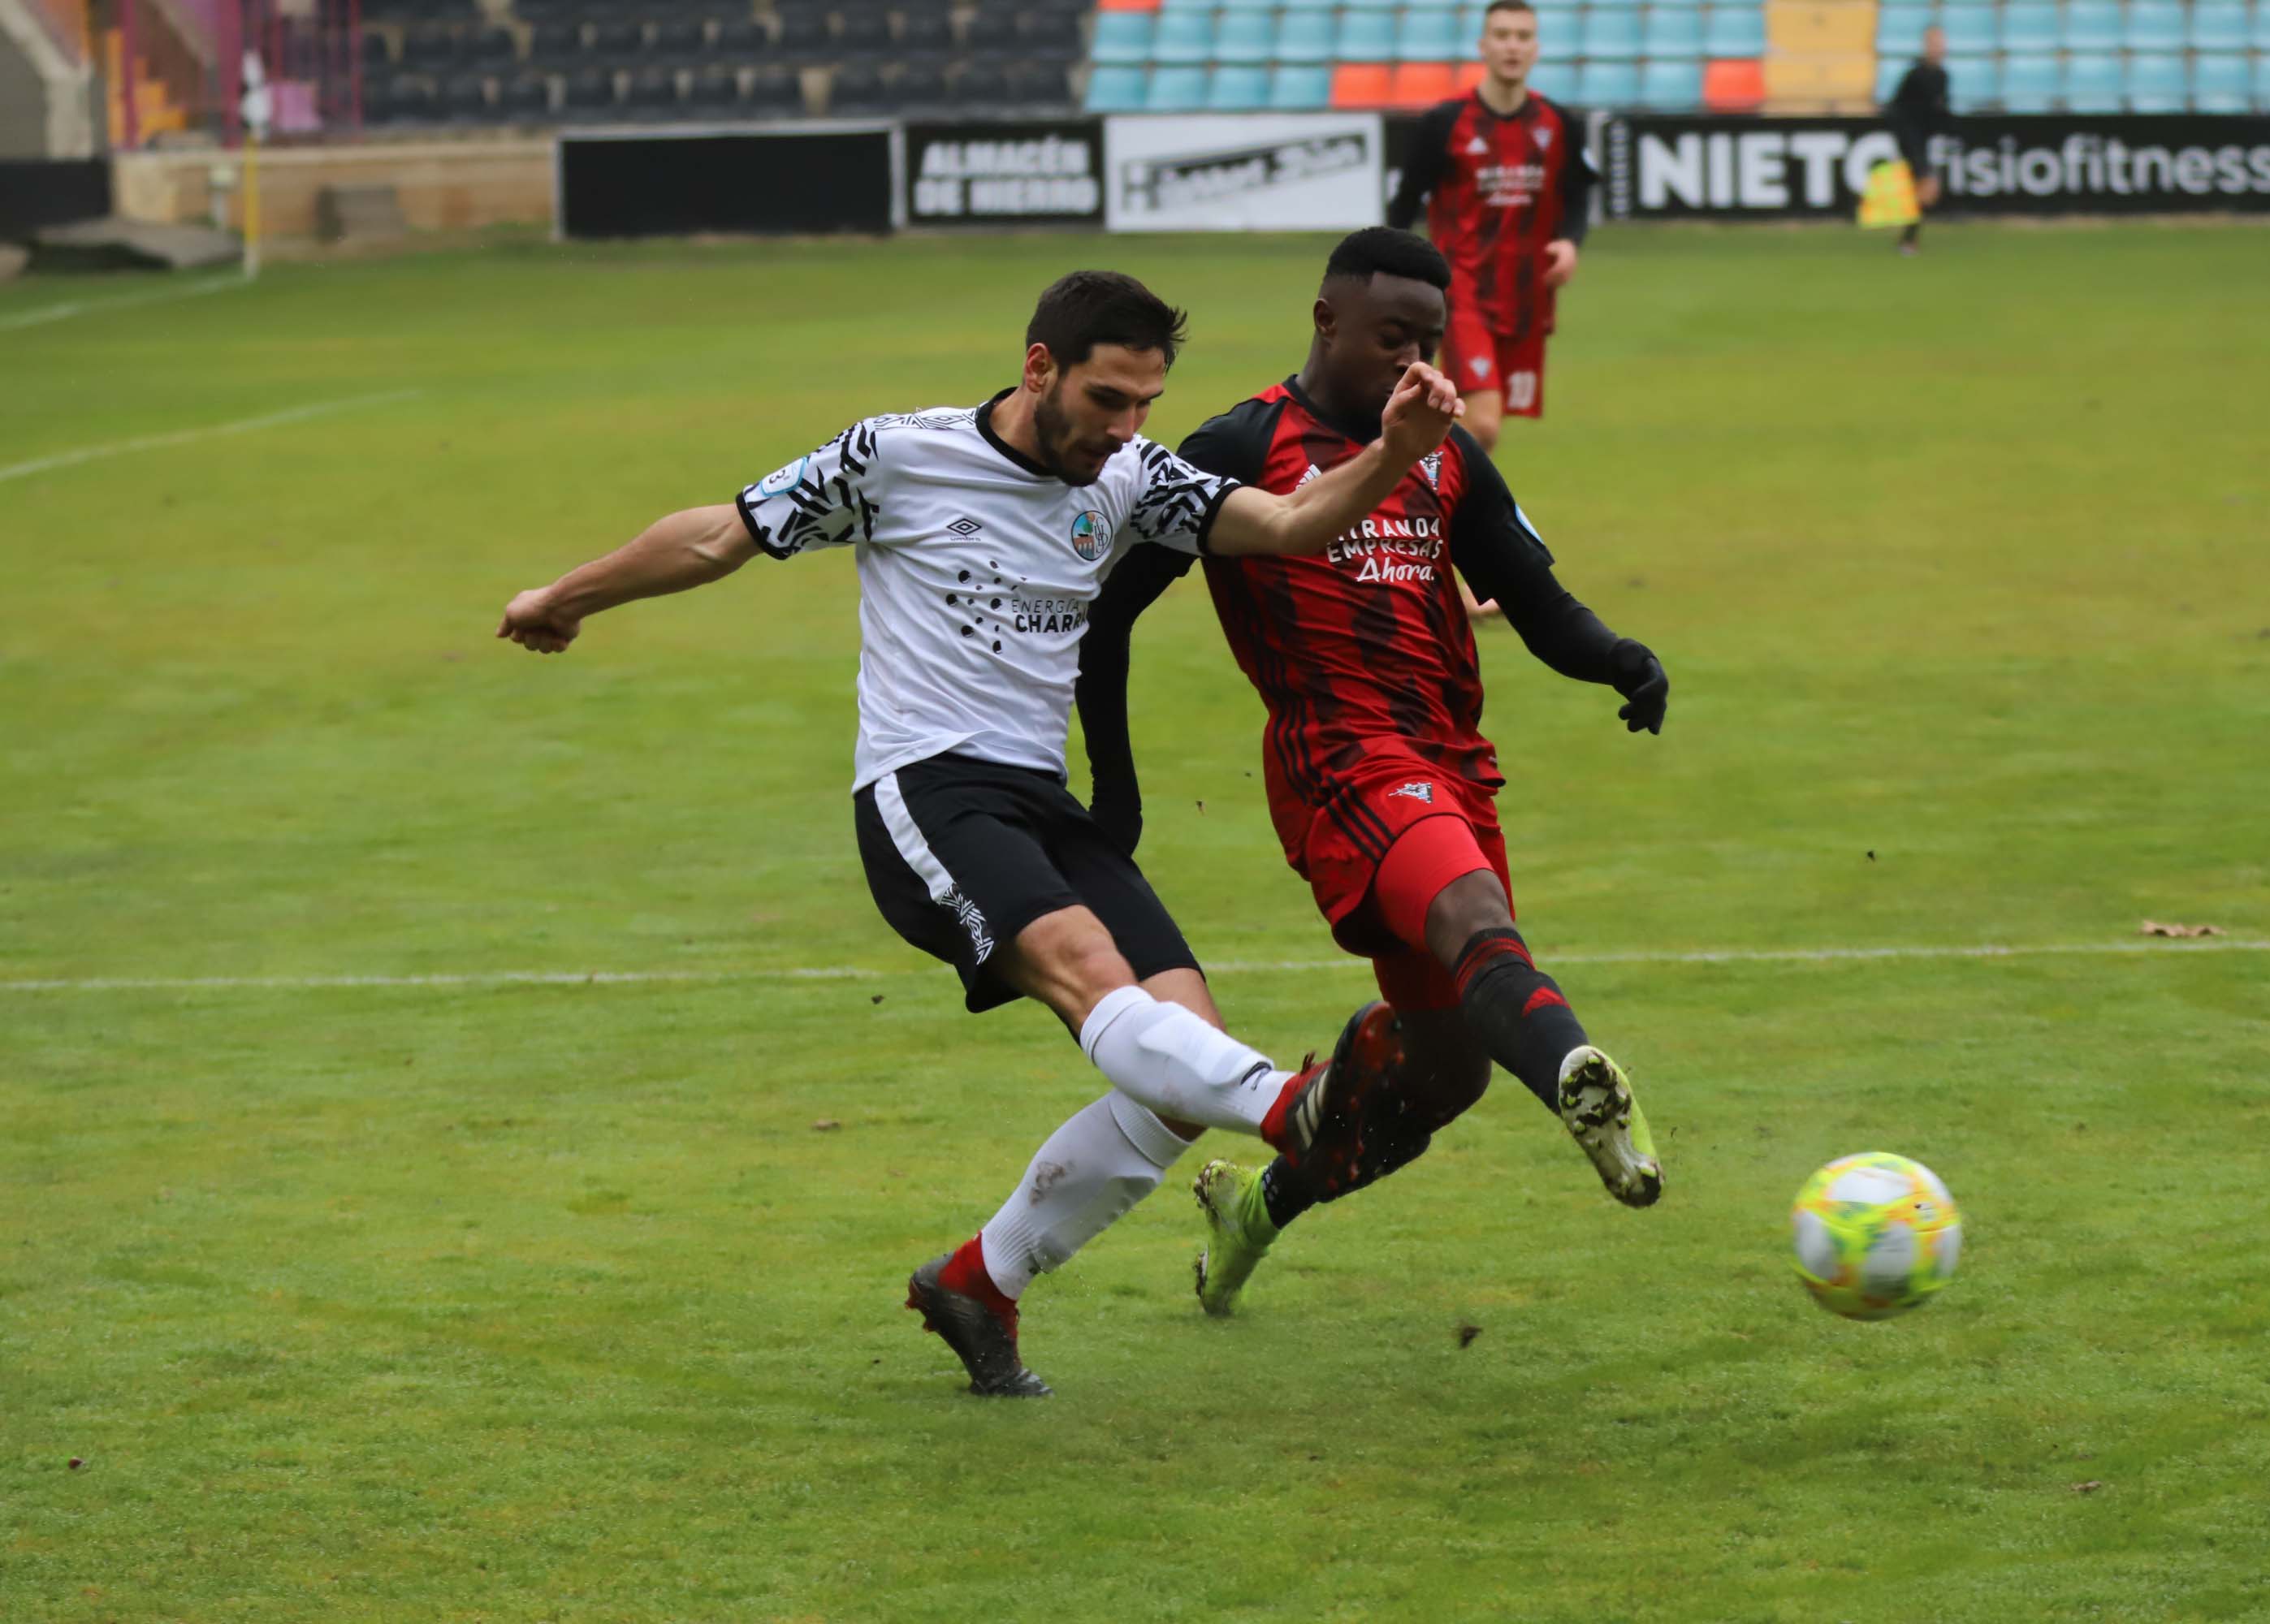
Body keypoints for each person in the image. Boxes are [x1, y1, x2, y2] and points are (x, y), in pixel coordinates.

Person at [495, 270, 1460, 1395]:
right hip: (927, 786)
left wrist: (1392, 452)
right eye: (1107, 399)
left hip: (1040, 800)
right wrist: (565, 596)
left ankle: (978, 1281)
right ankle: (1291, 1106)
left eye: (1146, 403)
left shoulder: (1133, 476)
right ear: (1038, 367)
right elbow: (719, 536)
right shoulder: (899, 455)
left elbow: (1291, 522)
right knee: (1094, 974)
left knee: (1177, 1065)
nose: (1126, 427)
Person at [1073, 230, 1671, 1318]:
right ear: (1326, 320)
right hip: (1339, 763)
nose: (1416, 362)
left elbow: (1535, 599)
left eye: (1429, 341)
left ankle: (1255, 1209)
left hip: (1451, 766)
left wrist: (1618, 658)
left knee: (1445, 1076)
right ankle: (1580, 1078)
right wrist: (1114, 788)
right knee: (1474, 914)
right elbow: (1106, 614)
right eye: (1394, 337)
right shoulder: (1241, 445)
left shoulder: (1444, 451)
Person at [1386, 0, 1596, 461]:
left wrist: (1569, 242)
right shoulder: (1445, 122)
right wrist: (1395, 273)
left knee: (1478, 423)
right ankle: (1399, 480)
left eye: (1522, 36)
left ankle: (1419, 487)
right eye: (1502, 35)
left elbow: (1578, 193)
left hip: (1526, 295)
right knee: (1483, 422)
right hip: (1461, 290)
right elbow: (1404, 203)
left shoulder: (1559, 122)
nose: (1512, 46)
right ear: (1483, 46)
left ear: (1536, 48)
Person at [1884, 27, 1949, 257]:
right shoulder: (1915, 75)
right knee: (1927, 186)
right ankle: (1908, 240)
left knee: (1923, 189)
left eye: (1940, 42)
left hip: (1923, 139)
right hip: (1910, 139)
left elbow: (1940, 111)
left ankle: (1908, 236)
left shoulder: (1942, 76)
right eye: (1934, 43)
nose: (1938, 47)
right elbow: (1896, 108)